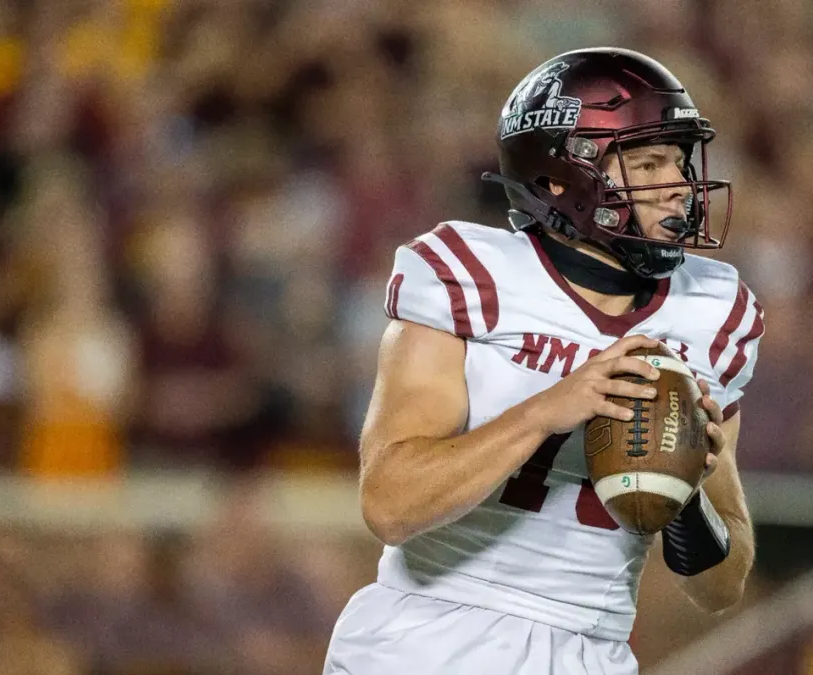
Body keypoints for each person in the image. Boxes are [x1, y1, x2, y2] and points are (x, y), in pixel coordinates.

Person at [323, 48, 765, 674]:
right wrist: (547, 411)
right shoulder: (470, 275)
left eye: (679, 160)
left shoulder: (714, 312)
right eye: (647, 162)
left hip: (595, 651)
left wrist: (682, 494)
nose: (680, 185)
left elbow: (722, 587)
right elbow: (389, 505)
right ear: (562, 179)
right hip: (432, 640)